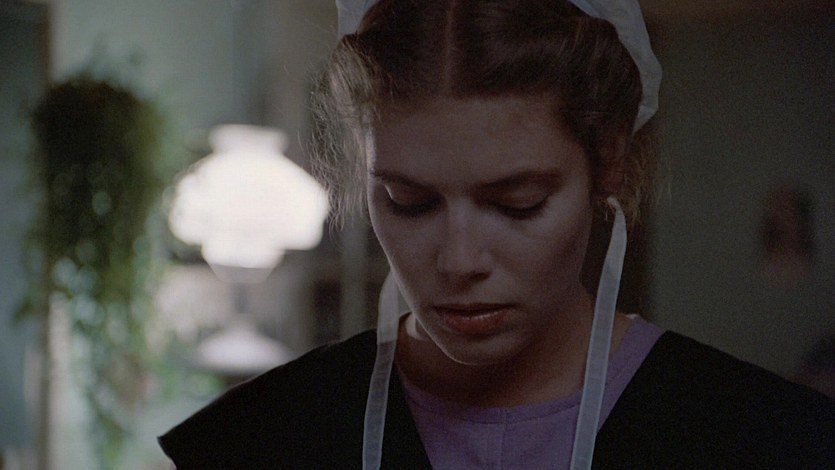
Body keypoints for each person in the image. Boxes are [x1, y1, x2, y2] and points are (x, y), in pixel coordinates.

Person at [158, 0, 835, 468]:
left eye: (517, 204)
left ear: (607, 161)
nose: (459, 261)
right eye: (409, 202)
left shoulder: (768, 441)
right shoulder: (254, 443)